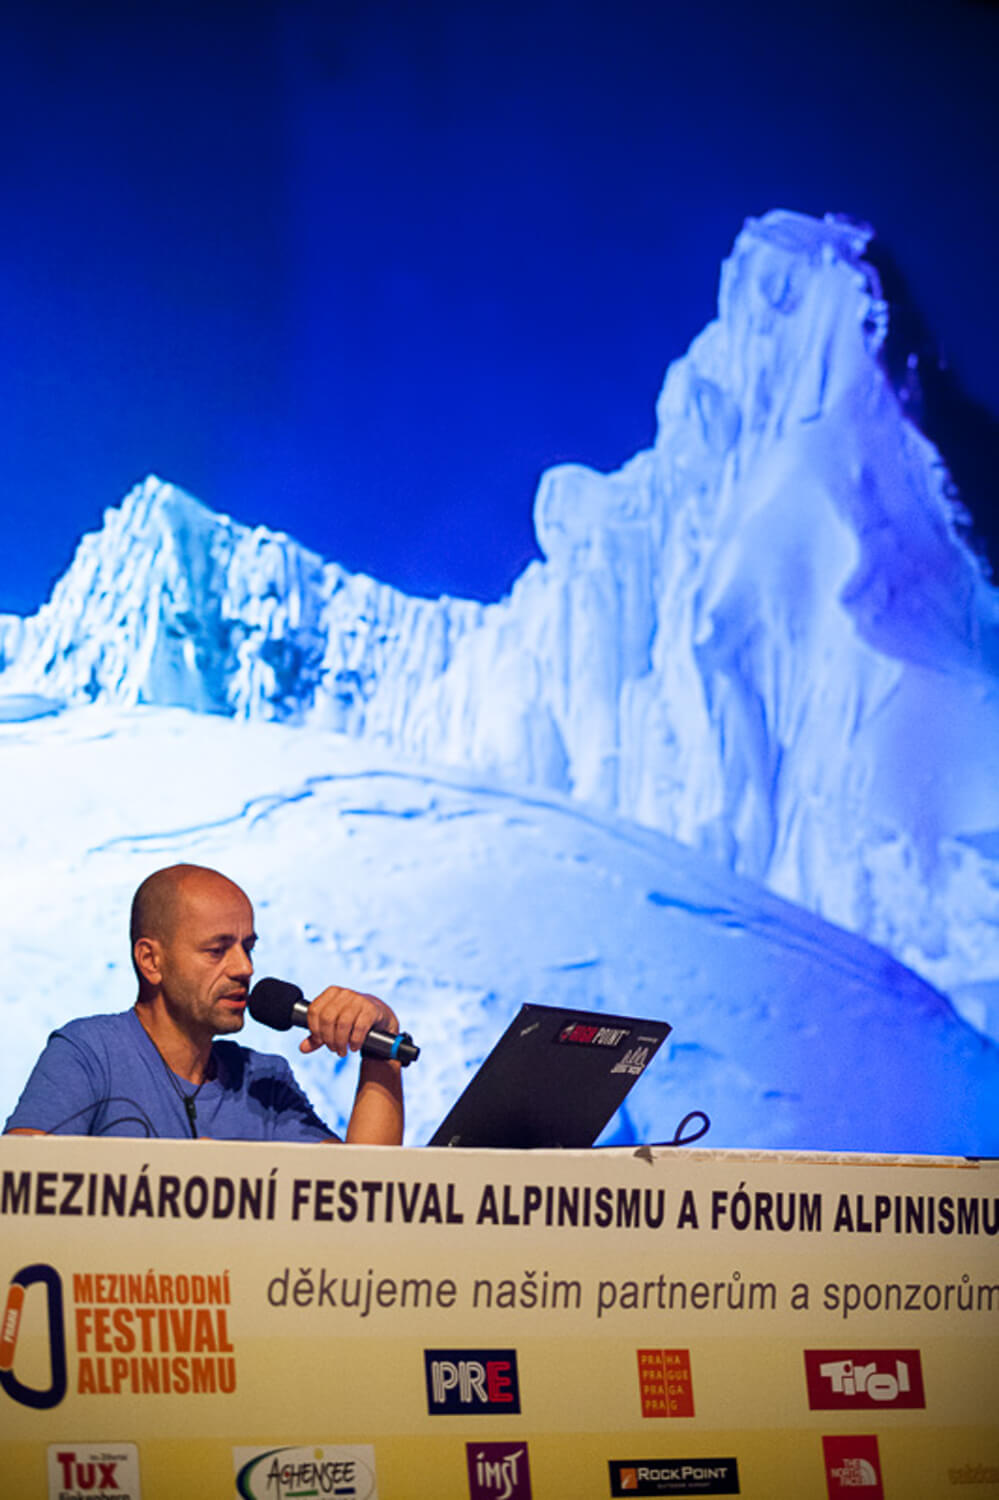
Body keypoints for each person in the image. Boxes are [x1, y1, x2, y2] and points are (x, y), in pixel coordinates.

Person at [3, 864, 404, 1144]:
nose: (245, 968)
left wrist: (380, 1038)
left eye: (248, 947)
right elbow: (21, 1187)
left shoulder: (264, 1081)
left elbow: (361, 1195)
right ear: (151, 961)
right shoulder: (91, 1052)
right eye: (217, 950)